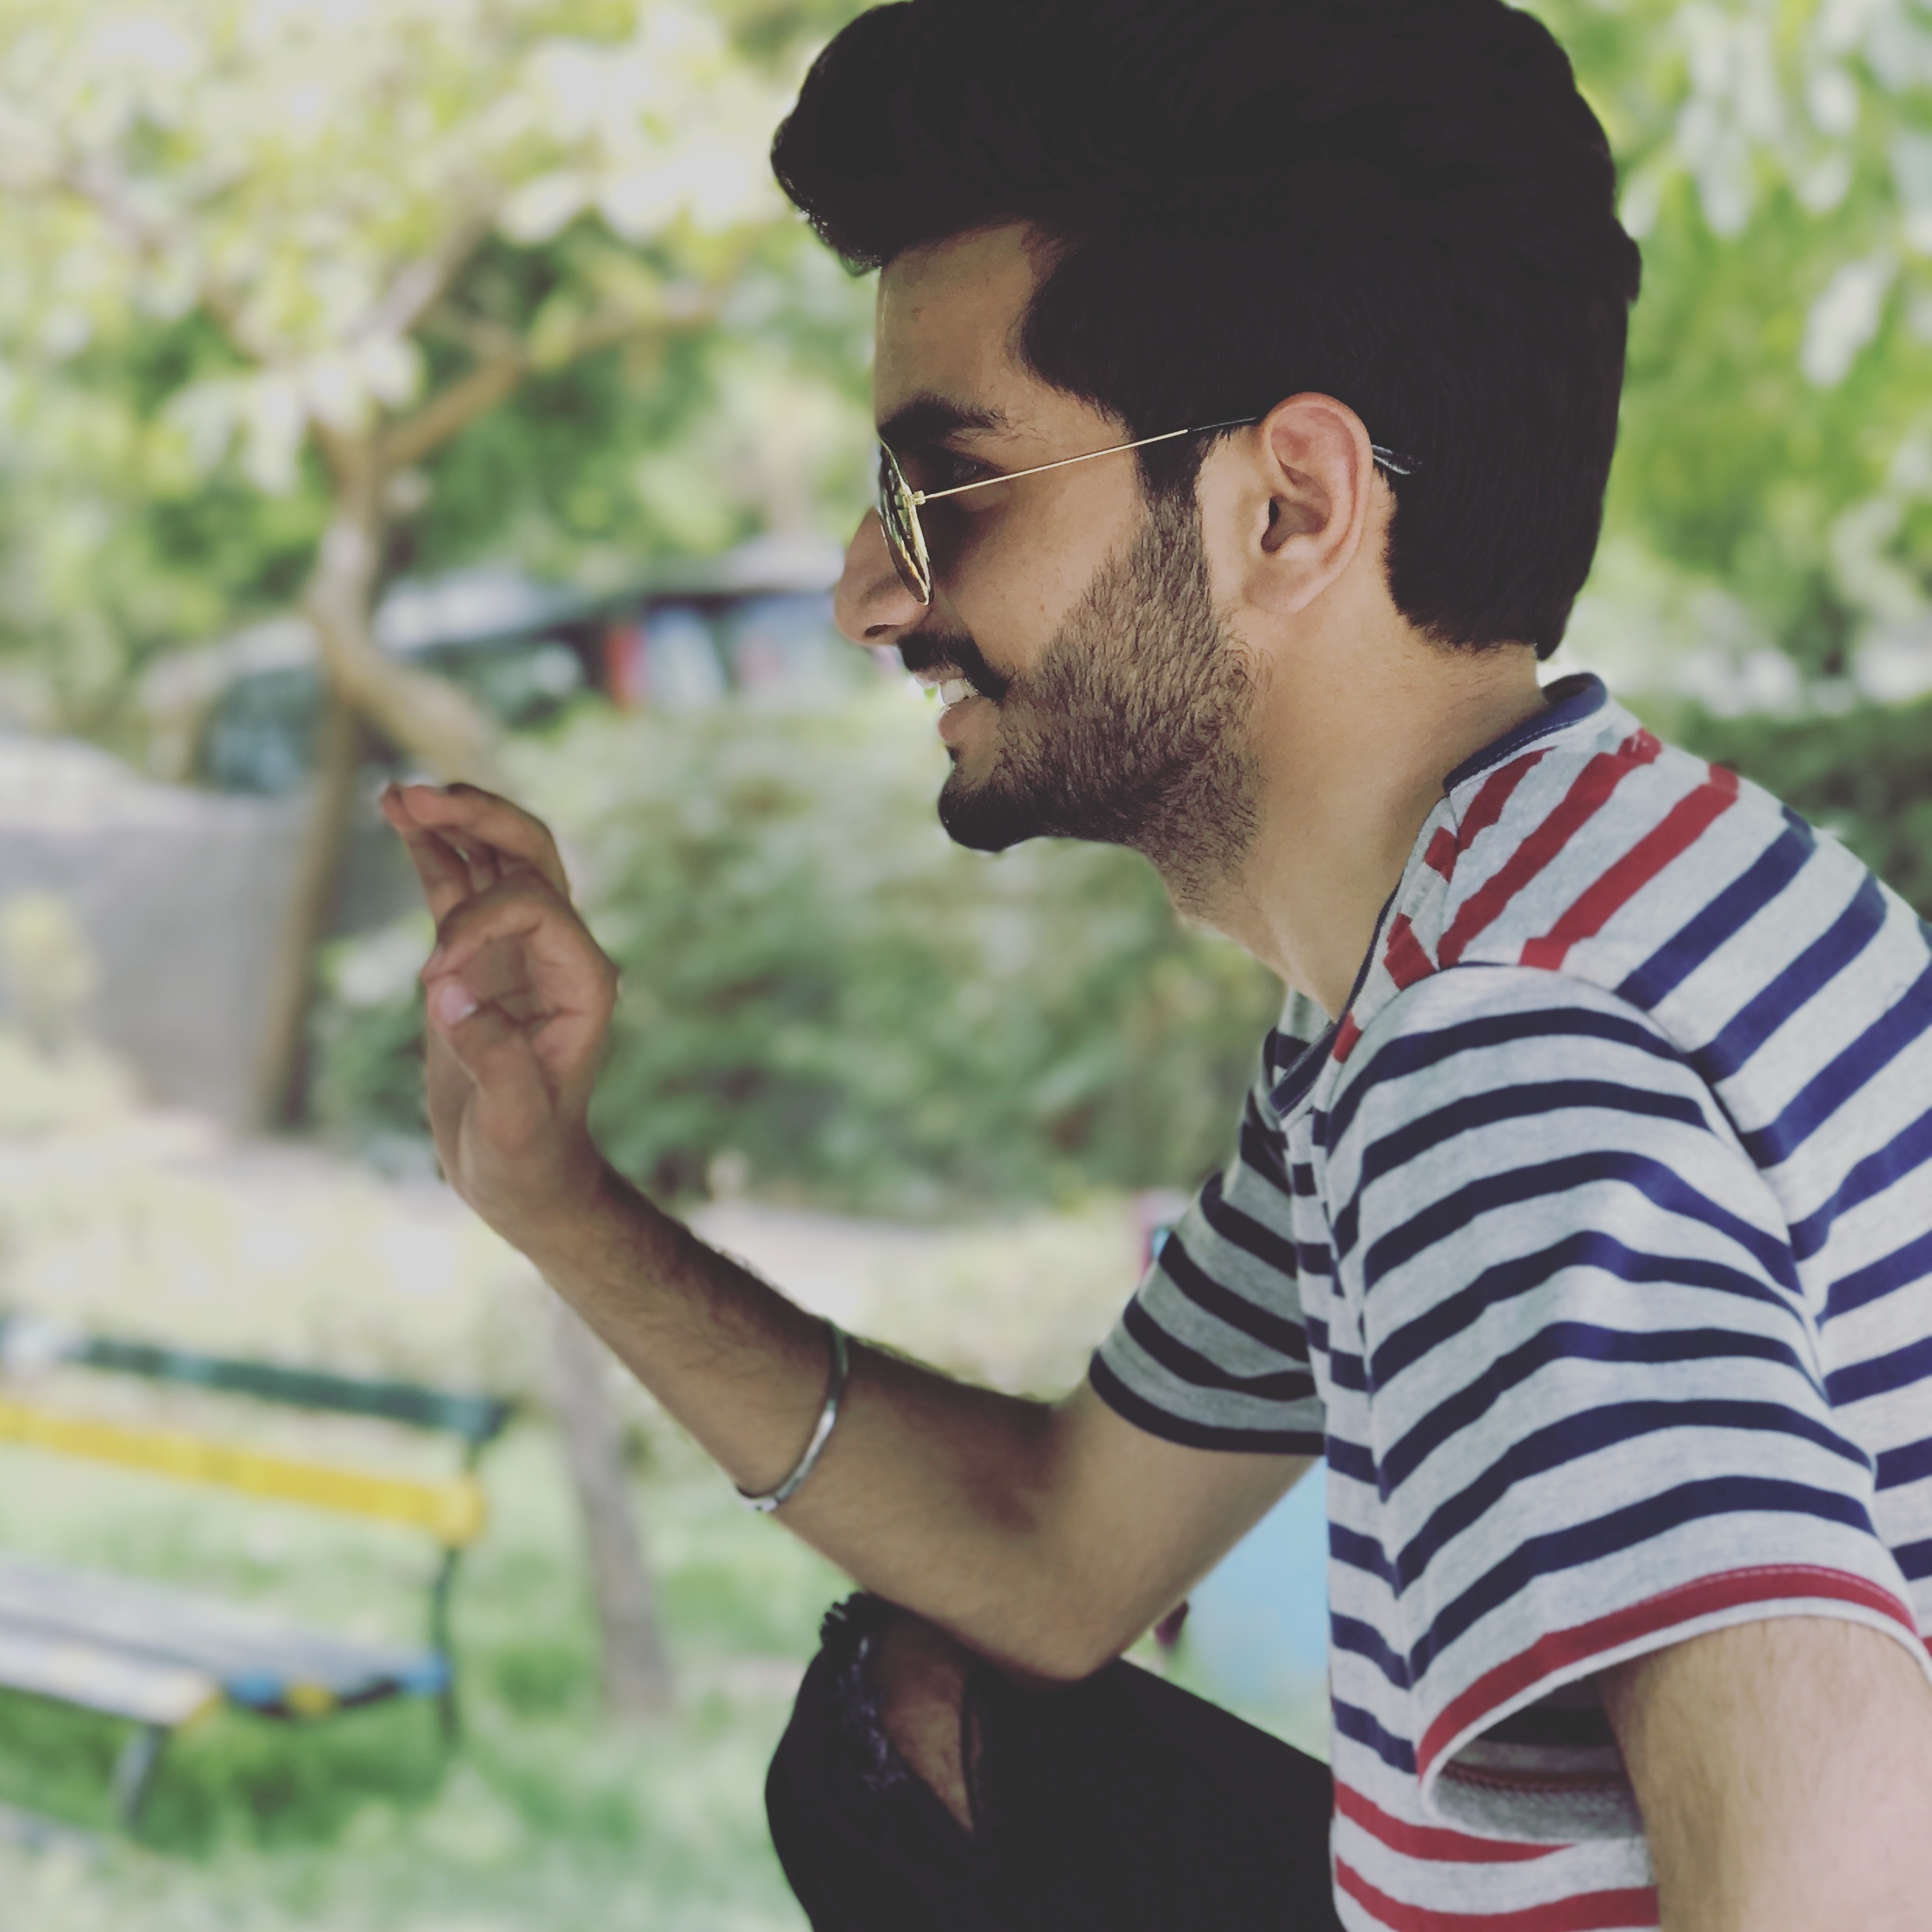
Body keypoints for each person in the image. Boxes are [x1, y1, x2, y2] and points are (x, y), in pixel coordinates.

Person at [379, 1, 1932, 1926]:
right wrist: (556, 1198)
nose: (867, 591)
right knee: (910, 1716)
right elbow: (1055, 1556)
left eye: (944, 492)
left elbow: (1837, 1872)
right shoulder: (1538, 909)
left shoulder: (1498, 1060)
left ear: (1288, 506)